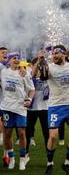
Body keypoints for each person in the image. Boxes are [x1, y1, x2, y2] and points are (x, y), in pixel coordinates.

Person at [32, 46, 69, 175]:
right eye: (53, 54)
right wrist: (42, 61)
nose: (54, 55)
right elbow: (42, 77)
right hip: (55, 106)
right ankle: (50, 163)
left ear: (64, 54)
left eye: (57, 53)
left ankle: (67, 162)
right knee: (53, 136)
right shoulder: (50, 67)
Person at [0, 52, 35, 170]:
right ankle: (12, 158)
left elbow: (32, 90)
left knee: (21, 133)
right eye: (14, 58)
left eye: (18, 58)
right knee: (8, 133)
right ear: (9, 60)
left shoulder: (25, 73)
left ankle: (22, 159)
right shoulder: (3, 72)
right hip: (7, 107)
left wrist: (29, 99)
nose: (16, 60)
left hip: (20, 108)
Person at [25, 57, 49, 160]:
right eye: (38, 67)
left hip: (45, 108)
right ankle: (25, 154)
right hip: (32, 109)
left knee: (47, 133)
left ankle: (49, 155)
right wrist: (38, 61)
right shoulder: (30, 79)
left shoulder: (48, 78)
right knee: (27, 132)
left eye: (41, 67)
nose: (40, 69)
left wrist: (44, 65)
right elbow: (31, 75)